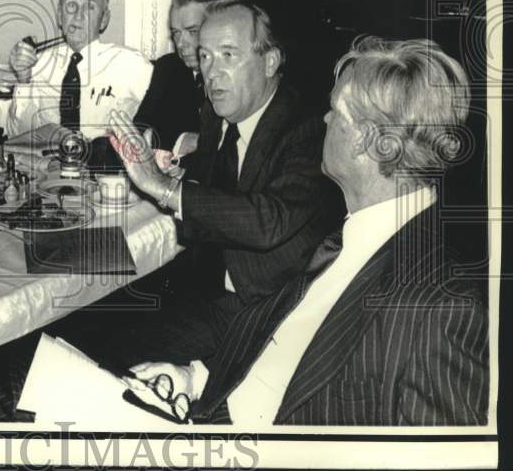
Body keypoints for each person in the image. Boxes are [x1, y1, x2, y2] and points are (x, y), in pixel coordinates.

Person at [123, 37, 488, 427]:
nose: (325, 121)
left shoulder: (442, 306)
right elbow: (291, 353)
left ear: (367, 140)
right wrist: (196, 378)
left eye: (335, 111)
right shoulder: (354, 235)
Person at [107, 0, 343, 362]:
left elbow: (267, 220)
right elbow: (212, 202)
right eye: (205, 56)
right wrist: (179, 179)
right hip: (206, 288)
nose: (211, 72)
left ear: (270, 62)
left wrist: (166, 187)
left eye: (228, 55)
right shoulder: (214, 115)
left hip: (269, 317)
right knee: (96, 319)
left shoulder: (308, 128)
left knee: (113, 357)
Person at [6, 0, 151, 144]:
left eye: (89, 7)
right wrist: (24, 79)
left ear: (104, 20)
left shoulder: (131, 64)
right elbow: (17, 137)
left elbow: (167, 118)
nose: (78, 15)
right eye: (71, 6)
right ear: (60, 16)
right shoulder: (38, 64)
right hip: (47, 166)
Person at [133, 0, 228, 153]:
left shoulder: (235, 74)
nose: (181, 43)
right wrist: (183, 140)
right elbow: (139, 132)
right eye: (176, 32)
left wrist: (202, 142)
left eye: (193, 31)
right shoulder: (168, 68)